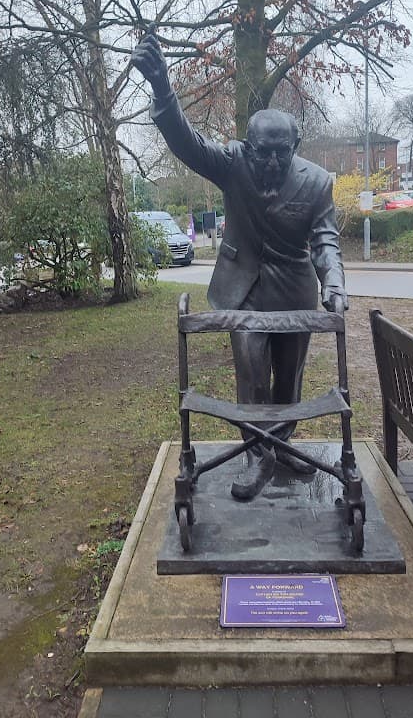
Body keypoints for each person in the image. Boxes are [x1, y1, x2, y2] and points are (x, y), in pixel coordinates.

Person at [132, 30, 348, 500]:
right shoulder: (232, 163)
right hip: (243, 290)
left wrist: (333, 282)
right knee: (251, 374)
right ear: (248, 146)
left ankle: (281, 445)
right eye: (262, 151)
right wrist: (162, 88)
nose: (271, 160)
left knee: (288, 380)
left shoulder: (317, 183)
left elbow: (325, 241)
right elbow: (187, 144)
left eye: (281, 151)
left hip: (294, 291)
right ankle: (256, 454)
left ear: (295, 146)